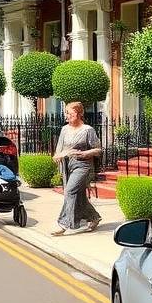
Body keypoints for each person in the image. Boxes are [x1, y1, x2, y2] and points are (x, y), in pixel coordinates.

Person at [51, 101, 102, 236]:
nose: (67, 116)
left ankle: (63, 224)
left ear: (79, 114)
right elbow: (58, 151)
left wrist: (86, 153)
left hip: (83, 166)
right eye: (66, 113)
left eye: (70, 113)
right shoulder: (64, 129)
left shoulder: (87, 130)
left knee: (70, 191)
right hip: (68, 166)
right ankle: (94, 217)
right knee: (78, 196)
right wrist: (59, 156)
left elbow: (98, 150)